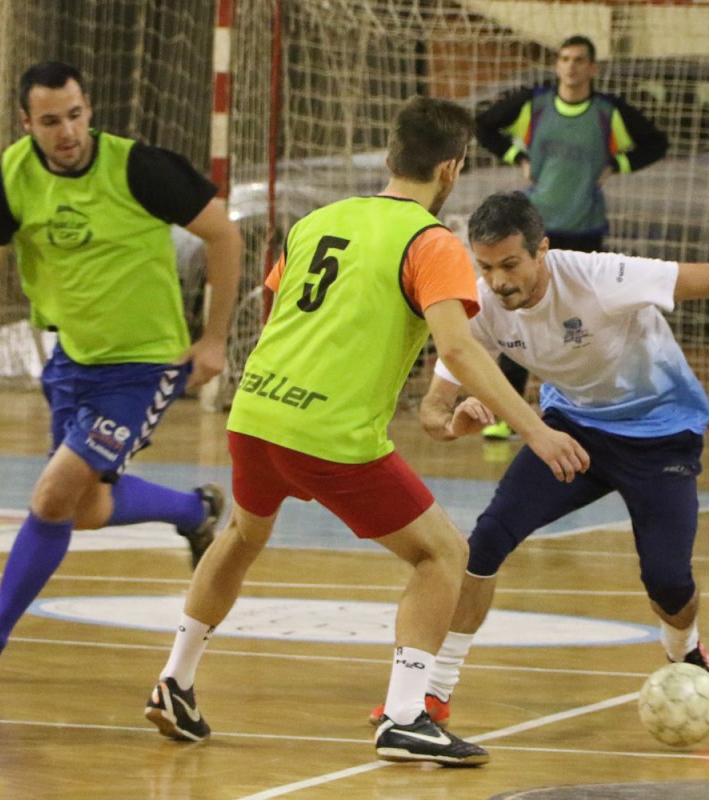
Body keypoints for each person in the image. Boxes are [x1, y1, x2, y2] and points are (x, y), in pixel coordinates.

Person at [142, 98, 590, 767]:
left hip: (256, 410)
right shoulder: (431, 242)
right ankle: (406, 716)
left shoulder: (317, 220)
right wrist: (536, 430)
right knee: (444, 555)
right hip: (327, 431)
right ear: (451, 169)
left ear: (389, 156)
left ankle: (174, 681)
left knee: (240, 534)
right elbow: (460, 350)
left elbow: (282, 310)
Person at [369, 190, 709, 727]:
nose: (498, 280)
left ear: (542, 251)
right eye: (486, 267)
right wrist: (455, 420)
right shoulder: (482, 306)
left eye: (510, 265)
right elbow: (433, 409)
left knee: (667, 581)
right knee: (483, 544)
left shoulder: (603, 278)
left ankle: (685, 650)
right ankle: (435, 691)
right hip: (572, 433)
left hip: (662, 435)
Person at [0, 61, 243, 681]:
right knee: (85, 509)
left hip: (145, 365)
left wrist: (213, 340)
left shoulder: (138, 168)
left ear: (89, 109)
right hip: (72, 361)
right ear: (27, 123)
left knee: (53, 496)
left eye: (76, 115)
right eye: (51, 121)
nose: (68, 132)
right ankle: (194, 511)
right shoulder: (14, 177)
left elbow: (225, 236)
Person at [475, 34, 668, 440]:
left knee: (581, 324)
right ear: (557, 65)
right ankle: (508, 416)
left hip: (585, 230)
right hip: (536, 230)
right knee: (522, 317)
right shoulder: (535, 104)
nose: (571, 66)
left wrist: (618, 164)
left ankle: (590, 410)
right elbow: (483, 125)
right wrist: (517, 156)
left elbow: (657, 142)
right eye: (564, 58)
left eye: (579, 60)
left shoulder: (607, 111)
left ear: (592, 68)